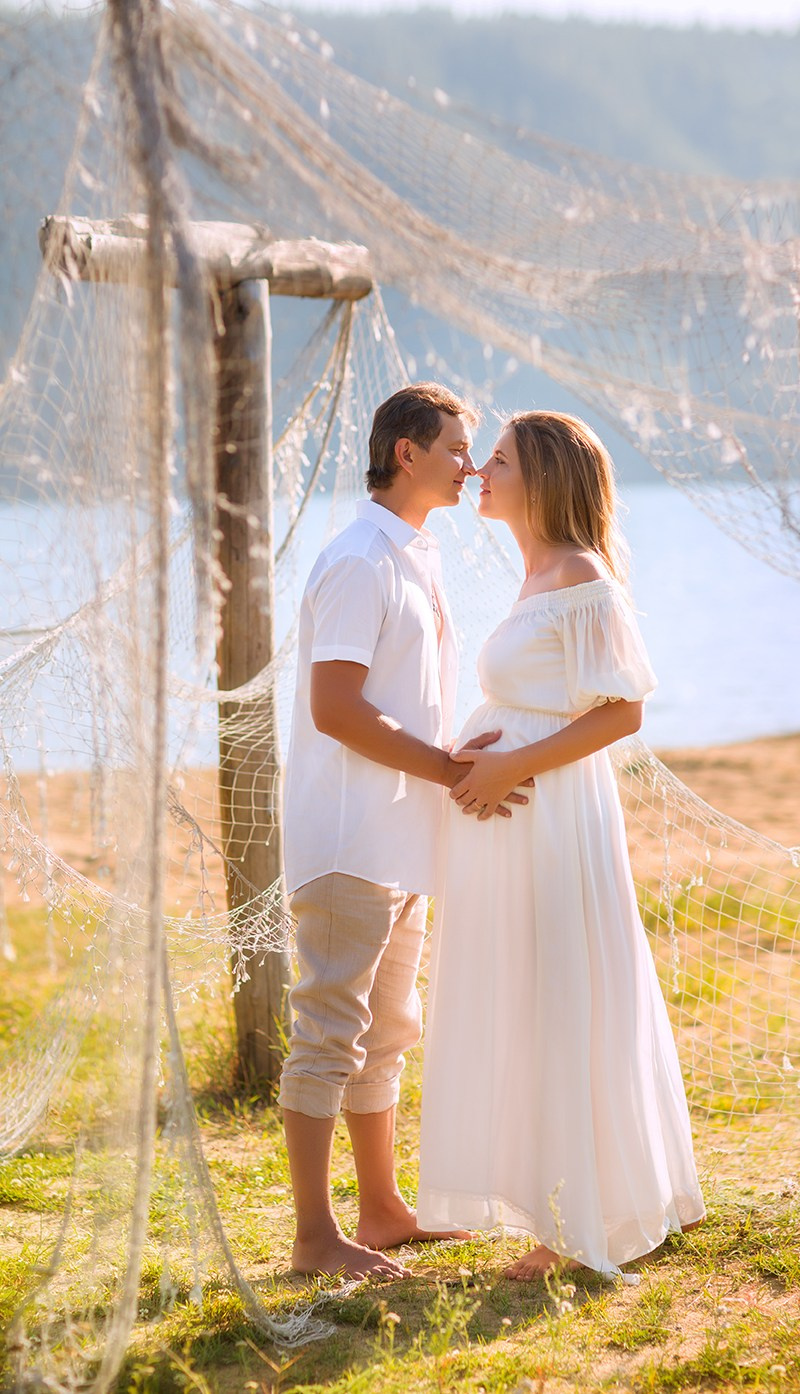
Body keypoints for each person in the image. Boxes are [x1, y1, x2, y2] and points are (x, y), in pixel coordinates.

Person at [416, 410, 705, 1280]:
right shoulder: (537, 573)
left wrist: (512, 770)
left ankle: (572, 1228)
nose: (478, 474)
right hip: (518, 822)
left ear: (538, 477)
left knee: (559, 991)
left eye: (495, 461)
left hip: (553, 819)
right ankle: (553, 1196)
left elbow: (622, 711)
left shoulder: (581, 575)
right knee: (525, 993)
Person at [279, 382, 531, 1280]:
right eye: (457, 448)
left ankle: (381, 1212)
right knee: (327, 1033)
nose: (470, 465)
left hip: (402, 841)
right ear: (405, 454)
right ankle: (315, 1238)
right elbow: (336, 711)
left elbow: (401, 702)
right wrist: (452, 773)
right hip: (348, 840)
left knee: (385, 1033)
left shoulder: (413, 555)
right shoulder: (358, 561)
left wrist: (454, 756)